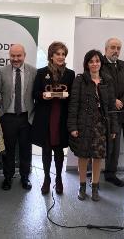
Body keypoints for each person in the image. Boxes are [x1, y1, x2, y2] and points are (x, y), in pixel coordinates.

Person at [68, 49, 118, 201]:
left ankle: (95, 186)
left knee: (98, 157)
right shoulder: (80, 80)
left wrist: (114, 127)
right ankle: (82, 186)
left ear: (101, 63)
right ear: (87, 64)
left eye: (97, 61)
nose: (94, 64)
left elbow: (111, 107)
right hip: (83, 124)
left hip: (102, 126)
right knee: (83, 156)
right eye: (91, 61)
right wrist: (73, 127)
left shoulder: (107, 81)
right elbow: (73, 105)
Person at [31, 41, 75, 195]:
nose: (61, 57)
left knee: (58, 150)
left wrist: (67, 96)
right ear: (51, 55)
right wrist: (43, 95)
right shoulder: (41, 72)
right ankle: (46, 179)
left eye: (63, 54)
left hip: (61, 117)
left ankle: (58, 179)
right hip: (45, 117)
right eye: (58, 54)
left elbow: (72, 98)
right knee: (46, 149)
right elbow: (35, 94)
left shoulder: (70, 74)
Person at [0, 44, 36, 190]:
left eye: (19, 56)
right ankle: (7, 177)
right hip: (8, 117)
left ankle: (25, 177)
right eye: (12, 56)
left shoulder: (33, 71)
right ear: (9, 56)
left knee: (26, 149)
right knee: (9, 149)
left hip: (26, 117)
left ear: (24, 55)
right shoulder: (1, 71)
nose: (15, 59)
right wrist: (0, 112)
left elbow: (35, 95)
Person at [101, 38, 124, 186]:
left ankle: (111, 173)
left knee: (116, 146)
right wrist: (113, 100)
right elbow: (99, 85)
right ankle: (100, 174)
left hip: (122, 111)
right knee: (104, 144)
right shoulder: (99, 65)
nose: (116, 50)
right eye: (113, 47)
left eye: (118, 48)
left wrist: (123, 101)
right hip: (105, 111)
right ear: (106, 49)